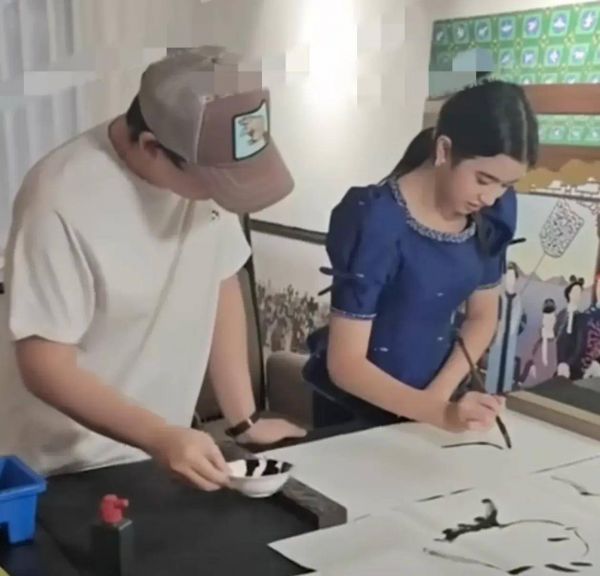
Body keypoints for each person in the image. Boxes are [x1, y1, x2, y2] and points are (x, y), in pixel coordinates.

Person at [0, 47, 305, 489]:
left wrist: (243, 420)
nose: (221, 195)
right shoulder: (59, 199)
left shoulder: (204, 173)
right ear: (152, 147)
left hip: (161, 456)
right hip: (62, 468)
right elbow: (44, 364)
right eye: (212, 181)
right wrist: (158, 435)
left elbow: (220, 281)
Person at [304, 80, 538, 431]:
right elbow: (345, 365)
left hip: (438, 399)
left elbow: (482, 317)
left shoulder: (493, 212)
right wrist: (436, 412)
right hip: (356, 410)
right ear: (444, 150)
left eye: (506, 185)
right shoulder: (373, 219)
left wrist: (438, 399)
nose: (491, 197)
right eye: (484, 179)